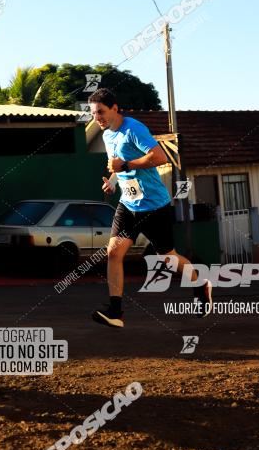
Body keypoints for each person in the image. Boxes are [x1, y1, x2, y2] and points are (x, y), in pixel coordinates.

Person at [88, 88, 212, 328]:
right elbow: (116, 166)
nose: (97, 118)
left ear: (115, 108)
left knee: (168, 259)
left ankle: (200, 283)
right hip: (128, 203)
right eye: (93, 114)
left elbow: (159, 158)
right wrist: (113, 182)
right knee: (113, 252)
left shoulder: (134, 129)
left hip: (154, 205)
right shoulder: (106, 135)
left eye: (101, 112)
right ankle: (116, 311)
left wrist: (125, 164)